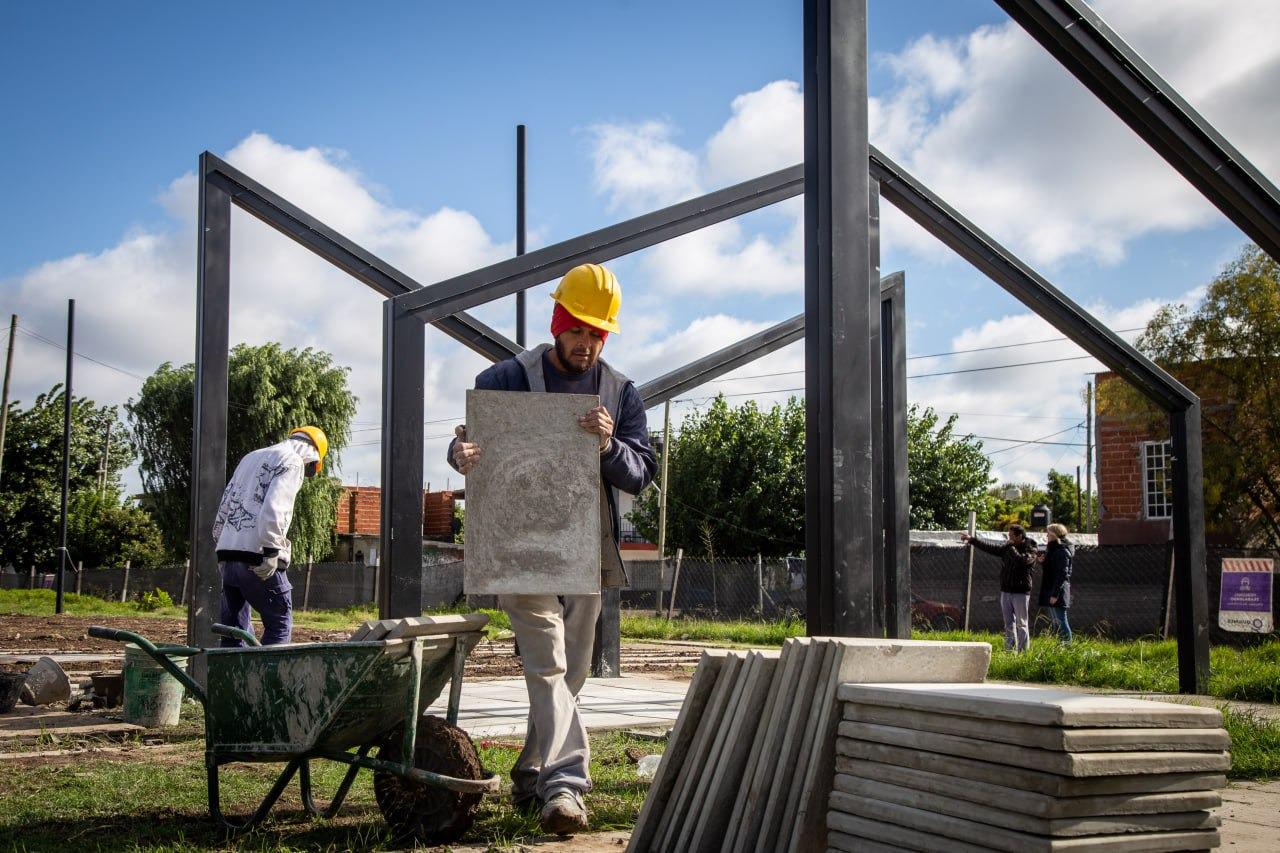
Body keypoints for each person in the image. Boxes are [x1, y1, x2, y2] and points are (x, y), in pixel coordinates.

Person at [448, 263, 656, 835]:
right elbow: (469, 441)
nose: (586, 344)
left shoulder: (620, 391)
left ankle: (530, 769)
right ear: (558, 321)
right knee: (547, 657)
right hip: (519, 544)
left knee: (575, 669)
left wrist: (610, 444)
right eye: (578, 330)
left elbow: (640, 474)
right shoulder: (505, 379)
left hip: (584, 546)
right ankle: (565, 785)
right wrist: (459, 455)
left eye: (597, 334)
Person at [211, 426, 328, 647]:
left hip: (228, 556)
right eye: (311, 467)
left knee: (233, 631)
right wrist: (272, 550)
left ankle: (230, 680)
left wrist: (223, 549)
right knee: (279, 623)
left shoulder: (249, 458)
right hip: (258, 557)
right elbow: (276, 507)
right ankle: (269, 680)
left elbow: (225, 507)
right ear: (312, 455)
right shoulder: (292, 461)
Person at [961, 524, 1038, 653]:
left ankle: (1023, 651)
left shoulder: (1031, 548)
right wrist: (972, 540)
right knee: (1008, 623)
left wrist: (1011, 547)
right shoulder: (1009, 547)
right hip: (1006, 590)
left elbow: (1022, 561)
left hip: (1020, 591)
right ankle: (1009, 649)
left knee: (1021, 623)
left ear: (1020, 536)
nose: (1009, 538)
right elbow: (991, 548)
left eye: (1011, 536)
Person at [1037, 522, 1074, 643]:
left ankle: (1068, 648)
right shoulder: (1052, 549)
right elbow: (1051, 571)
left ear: (1054, 535)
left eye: (1048, 534)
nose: (1046, 537)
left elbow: (1062, 574)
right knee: (1055, 622)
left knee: (1061, 621)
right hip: (1050, 589)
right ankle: (1060, 646)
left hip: (1057, 591)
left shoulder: (1062, 551)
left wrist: (1055, 594)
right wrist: (1043, 562)